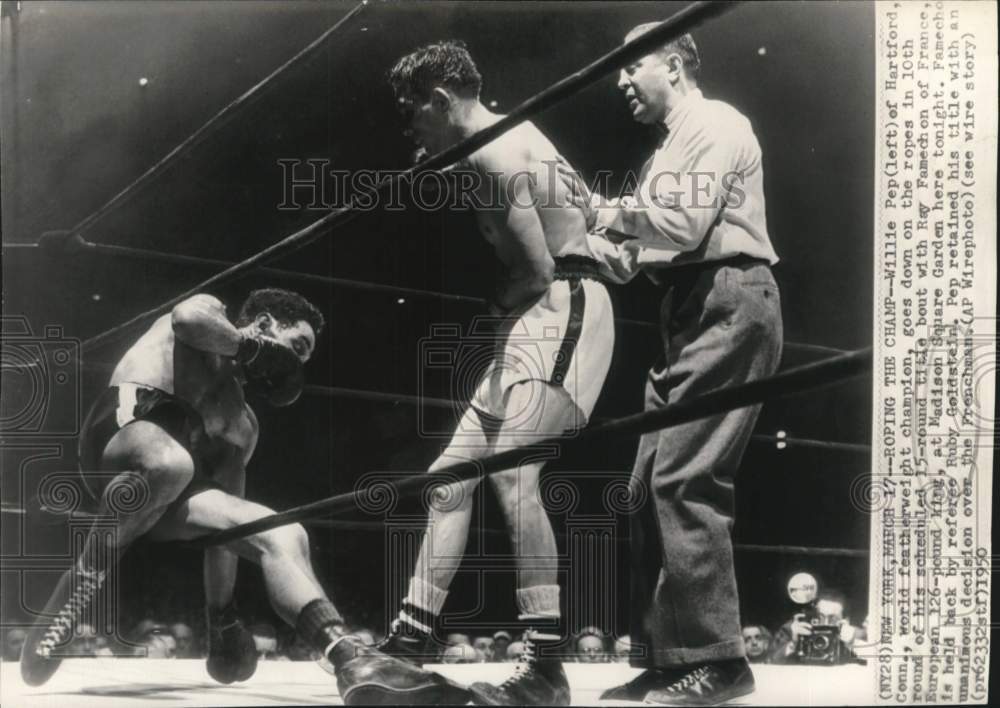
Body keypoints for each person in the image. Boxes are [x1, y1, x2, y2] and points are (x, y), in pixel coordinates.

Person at [20, 288, 467, 705]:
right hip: (117, 441)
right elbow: (186, 318)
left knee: (281, 532)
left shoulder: (242, 423)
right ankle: (77, 591)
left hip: (169, 493)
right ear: (266, 323)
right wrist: (249, 346)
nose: (295, 365)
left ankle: (348, 656)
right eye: (297, 347)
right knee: (171, 464)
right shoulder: (206, 316)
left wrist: (222, 617)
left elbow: (228, 531)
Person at [378, 40, 615, 706]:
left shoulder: (492, 150)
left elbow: (536, 269)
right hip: (539, 315)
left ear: (440, 99)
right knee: (448, 478)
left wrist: (492, 307)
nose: (410, 127)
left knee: (513, 473)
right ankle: (409, 638)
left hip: (563, 304)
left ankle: (545, 661)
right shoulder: (511, 135)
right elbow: (587, 210)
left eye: (412, 111)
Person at [561, 27, 782, 706]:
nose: (621, 81)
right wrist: (567, 238)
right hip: (687, 310)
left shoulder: (716, 122)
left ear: (676, 62)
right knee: (649, 479)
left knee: (686, 478)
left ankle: (720, 660)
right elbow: (641, 252)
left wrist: (601, 210)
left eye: (632, 66)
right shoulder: (666, 154)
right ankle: (667, 657)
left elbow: (680, 228)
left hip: (729, 300)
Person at [768, 589, 861, 665]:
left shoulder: (854, 635)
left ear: (846, 620)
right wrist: (793, 643)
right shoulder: (794, 629)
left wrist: (853, 644)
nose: (825, 623)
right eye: (820, 617)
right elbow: (768, 663)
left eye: (833, 619)